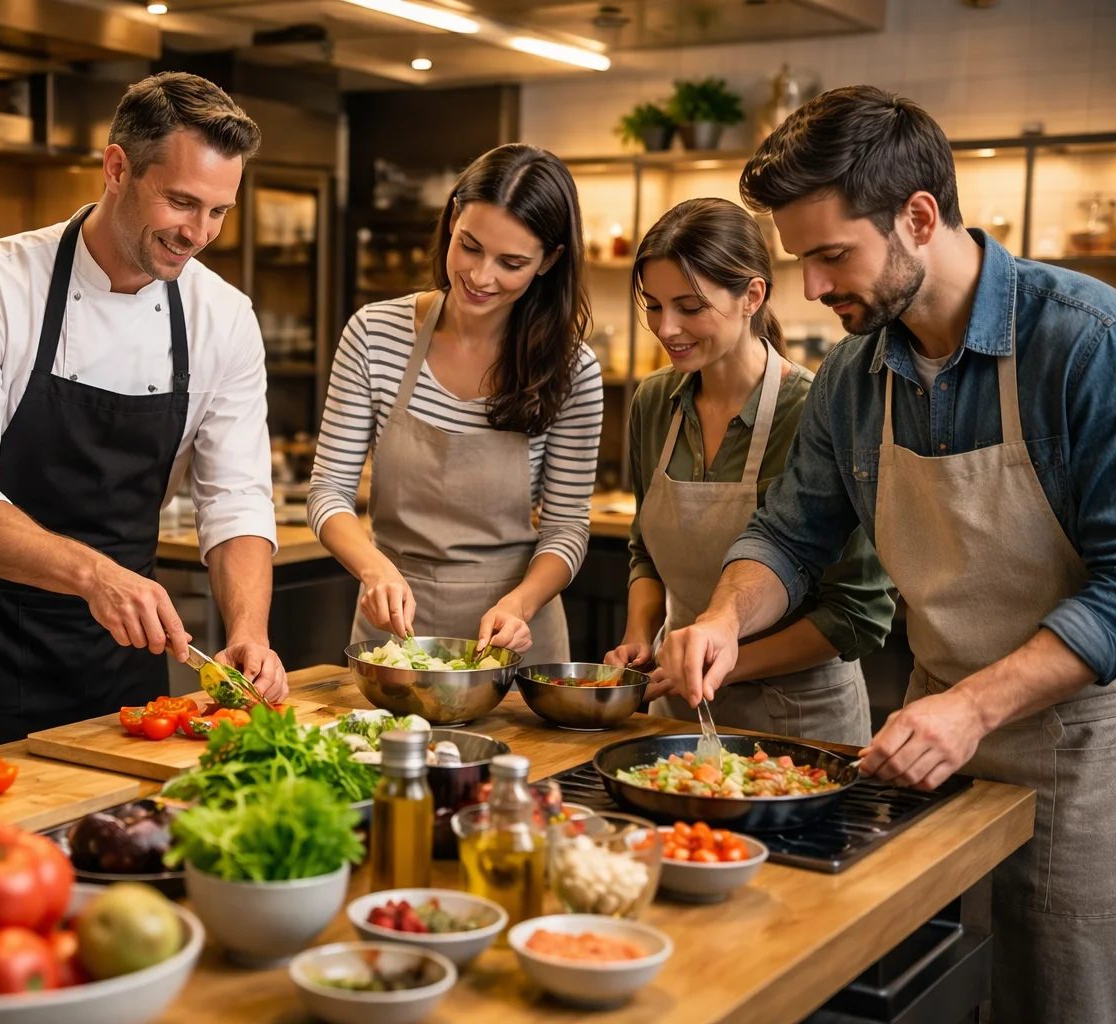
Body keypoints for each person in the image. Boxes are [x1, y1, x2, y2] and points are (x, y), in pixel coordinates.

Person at [654, 86, 1116, 1021]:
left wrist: (974, 706)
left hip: (1077, 751)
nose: (814, 291)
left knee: (1053, 994)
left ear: (918, 215)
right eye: (802, 263)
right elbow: (788, 535)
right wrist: (722, 617)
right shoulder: (855, 382)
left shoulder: (1085, 342)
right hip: (921, 747)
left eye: (832, 256)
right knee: (933, 991)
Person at [0, 72, 288, 748]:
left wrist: (248, 634)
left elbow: (235, 497)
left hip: (125, 663)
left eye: (218, 212)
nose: (198, 233)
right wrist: (94, 576)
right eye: (180, 202)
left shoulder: (221, 317)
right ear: (117, 168)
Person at [609, 198, 891, 745]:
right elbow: (645, 549)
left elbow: (857, 611)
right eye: (653, 305)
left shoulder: (818, 410)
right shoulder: (653, 402)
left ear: (751, 296)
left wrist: (722, 660)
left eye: (689, 307)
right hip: (675, 704)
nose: (666, 329)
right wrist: (639, 636)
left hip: (801, 719)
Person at [309, 144, 603, 661]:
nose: (481, 276)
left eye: (511, 263)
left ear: (549, 261)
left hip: (513, 639)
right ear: (451, 220)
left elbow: (566, 528)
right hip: (393, 635)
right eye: (470, 246)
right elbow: (328, 492)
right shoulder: (375, 334)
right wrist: (374, 569)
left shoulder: (572, 369)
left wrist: (521, 603)